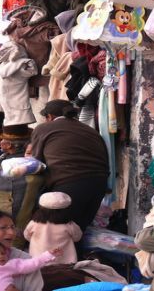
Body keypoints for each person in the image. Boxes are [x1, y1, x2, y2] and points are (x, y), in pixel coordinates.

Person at [29, 99, 110, 231]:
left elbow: (37, 162)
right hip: (99, 183)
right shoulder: (90, 130)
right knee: (77, 230)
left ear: (49, 116)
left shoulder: (43, 128)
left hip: (69, 182)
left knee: (58, 232)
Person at [24, 192, 83, 264]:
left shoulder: (34, 223)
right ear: (65, 210)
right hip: (64, 263)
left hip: (38, 261)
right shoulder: (69, 225)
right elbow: (77, 237)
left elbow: (26, 235)